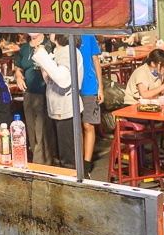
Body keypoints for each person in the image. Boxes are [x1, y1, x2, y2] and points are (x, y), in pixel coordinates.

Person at [29, 33, 86, 172]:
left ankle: (73, 188)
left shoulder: (68, 50)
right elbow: (51, 79)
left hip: (66, 110)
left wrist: (42, 56)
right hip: (57, 110)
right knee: (59, 157)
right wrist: (43, 60)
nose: (49, 33)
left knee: (68, 160)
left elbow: (62, 79)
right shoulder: (58, 51)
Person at [13, 33, 57, 166]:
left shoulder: (50, 45)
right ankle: (38, 163)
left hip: (45, 93)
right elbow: (18, 67)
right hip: (29, 94)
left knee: (42, 130)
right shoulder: (25, 48)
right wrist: (19, 77)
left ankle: (41, 165)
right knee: (31, 130)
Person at [76, 34, 104, 176]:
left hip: (89, 85)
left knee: (88, 125)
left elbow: (96, 61)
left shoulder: (89, 36)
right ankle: (78, 161)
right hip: (72, 86)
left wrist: (100, 87)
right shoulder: (64, 35)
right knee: (77, 126)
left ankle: (86, 164)